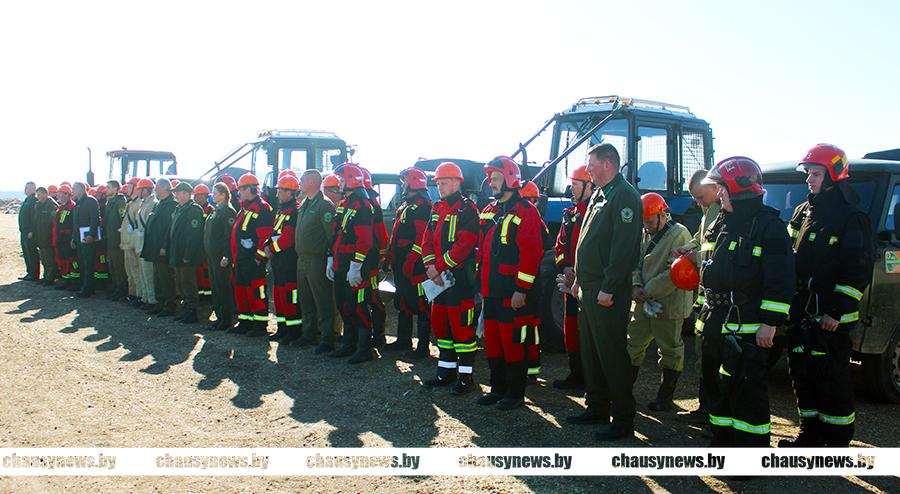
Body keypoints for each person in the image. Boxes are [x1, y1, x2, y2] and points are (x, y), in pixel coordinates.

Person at [697, 156, 795, 447]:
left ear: (738, 189)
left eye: (722, 188)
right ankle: (723, 443)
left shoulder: (769, 227)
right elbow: (710, 270)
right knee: (718, 389)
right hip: (717, 322)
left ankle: (751, 452)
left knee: (747, 393)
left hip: (748, 326)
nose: (719, 194)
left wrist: (770, 323)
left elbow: (781, 279)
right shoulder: (721, 223)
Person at [780, 144, 873, 448]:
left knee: (831, 378)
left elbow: (857, 270)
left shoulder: (851, 217)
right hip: (802, 309)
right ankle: (810, 433)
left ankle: (836, 441)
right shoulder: (803, 212)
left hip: (831, 317)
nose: (809, 179)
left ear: (833, 176)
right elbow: (788, 255)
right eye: (808, 173)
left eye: (816, 174)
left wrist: (836, 310)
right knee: (801, 373)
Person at [563, 143, 643, 441]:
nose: (588, 170)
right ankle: (596, 407)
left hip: (606, 290)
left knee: (611, 354)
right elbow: (587, 240)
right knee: (592, 352)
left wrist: (608, 288)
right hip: (589, 287)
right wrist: (578, 279)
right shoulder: (600, 193)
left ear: (608, 164)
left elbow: (623, 249)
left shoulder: (624, 196)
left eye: (592, 164)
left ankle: (623, 418)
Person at [475, 159, 544, 410]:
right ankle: (497, 389)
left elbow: (531, 254)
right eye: (490, 178)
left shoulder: (526, 211)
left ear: (510, 179)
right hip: (491, 291)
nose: (491, 183)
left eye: (496, 178)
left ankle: (515, 393)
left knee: (514, 344)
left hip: (512, 294)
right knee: (493, 343)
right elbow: (482, 252)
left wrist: (521, 290)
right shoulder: (489, 210)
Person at [627, 193, 693, 411]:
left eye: (649, 221)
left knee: (670, 349)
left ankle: (665, 398)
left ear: (663, 215)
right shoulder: (644, 232)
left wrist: (646, 291)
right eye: (643, 221)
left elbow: (674, 272)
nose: (646, 226)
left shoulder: (680, 234)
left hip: (669, 303)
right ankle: (623, 391)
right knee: (633, 343)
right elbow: (635, 262)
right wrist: (635, 285)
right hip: (644, 300)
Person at [420, 162, 480, 393]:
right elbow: (427, 240)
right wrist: (430, 266)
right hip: (438, 279)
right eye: (438, 184)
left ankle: (465, 378)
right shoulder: (437, 208)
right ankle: (445, 372)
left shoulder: (467, 209)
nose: (440, 187)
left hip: (459, 279)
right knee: (441, 326)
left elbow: (464, 245)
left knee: (461, 328)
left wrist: (438, 267)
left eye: (443, 183)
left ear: (456, 183)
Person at [673, 168, 724, 423]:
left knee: (710, 358)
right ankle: (705, 408)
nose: (699, 203)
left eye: (701, 197)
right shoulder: (708, 212)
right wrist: (687, 249)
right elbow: (700, 239)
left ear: (715, 189)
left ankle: (710, 411)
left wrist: (695, 256)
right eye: (695, 198)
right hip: (704, 298)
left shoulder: (720, 213)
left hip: (714, 299)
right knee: (703, 355)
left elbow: (715, 252)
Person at [329, 164, 378, 364]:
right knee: (343, 304)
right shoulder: (345, 204)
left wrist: (356, 265)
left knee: (358, 306)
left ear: (350, 180)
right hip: (341, 264)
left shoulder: (363, 206)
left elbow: (365, 240)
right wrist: (331, 257)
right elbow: (336, 233)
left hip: (355, 266)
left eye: (342, 180)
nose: (339, 183)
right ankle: (348, 344)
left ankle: (364, 348)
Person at [384, 167, 433, 356]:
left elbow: (421, 239)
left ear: (414, 182)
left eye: (404, 181)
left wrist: (411, 261)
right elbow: (396, 236)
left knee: (421, 304)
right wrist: (390, 257)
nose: (402, 185)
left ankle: (422, 347)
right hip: (402, 264)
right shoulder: (406, 205)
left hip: (416, 267)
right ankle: (403, 341)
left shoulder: (423, 207)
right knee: (403, 301)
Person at [553, 165, 593, 390]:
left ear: (589, 186)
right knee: (570, 327)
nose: (571, 188)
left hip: (590, 284)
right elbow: (560, 245)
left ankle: (590, 376)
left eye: (576, 184)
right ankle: (576, 373)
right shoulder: (570, 214)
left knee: (588, 329)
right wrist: (565, 266)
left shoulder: (597, 214)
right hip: (571, 283)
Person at [292, 170, 339, 353]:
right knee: (306, 299)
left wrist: (330, 257)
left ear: (312, 182)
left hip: (317, 259)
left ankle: (327, 338)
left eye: (302, 180)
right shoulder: (305, 203)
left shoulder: (324, 205)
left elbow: (331, 235)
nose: (300, 183)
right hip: (302, 258)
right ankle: (309, 334)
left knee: (323, 299)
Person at [228, 173, 273, 336]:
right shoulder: (246, 207)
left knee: (256, 292)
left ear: (250, 189)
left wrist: (258, 258)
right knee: (242, 291)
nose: (239, 192)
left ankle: (259, 325)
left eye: (241, 189)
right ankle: (245, 321)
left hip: (253, 260)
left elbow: (265, 237)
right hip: (242, 259)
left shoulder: (262, 208)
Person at [518, 180, 550, 384]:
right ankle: (530, 369)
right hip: (530, 282)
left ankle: (528, 369)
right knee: (530, 329)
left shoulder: (532, 220)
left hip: (528, 284)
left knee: (527, 329)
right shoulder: (537, 220)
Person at [267, 174, 302, 343]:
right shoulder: (281, 210)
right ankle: (282, 329)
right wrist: (267, 244)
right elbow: (275, 231)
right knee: (279, 295)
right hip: (279, 261)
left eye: (280, 190)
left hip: (289, 261)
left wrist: (272, 248)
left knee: (290, 297)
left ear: (290, 192)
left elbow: (288, 237)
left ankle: (293, 331)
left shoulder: (295, 211)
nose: (277, 194)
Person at [169, 182, 206, 323]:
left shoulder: (194, 210)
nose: (175, 195)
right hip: (178, 253)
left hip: (186, 255)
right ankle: (185, 309)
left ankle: (191, 311)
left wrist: (188, 255)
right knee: (180, 283)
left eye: (177, 193)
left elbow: (194, 234)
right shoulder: (179, 209)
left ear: (186, 194)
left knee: (188, 283)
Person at [360, 167, 389, 348]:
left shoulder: (370, 205)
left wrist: (380, 257)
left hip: (369, 260)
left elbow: (380, 234)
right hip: (362, 260)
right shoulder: (362, 202)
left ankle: (378, 335)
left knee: (372, 297)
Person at [141, 178, 177, 315]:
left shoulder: (171, 205)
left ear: (164, 187)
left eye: (157, 187)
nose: (155, 189)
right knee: (157, 276)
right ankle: (160, 301)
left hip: (162, 247)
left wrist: (164, 246)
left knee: (165, 276)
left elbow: (169, 228)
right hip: (154, 246)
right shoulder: (159, 204)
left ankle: (169, 304)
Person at [205, 183, 237, 331]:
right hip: (212, 255)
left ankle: (226, 318)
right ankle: (220, 317)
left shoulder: (228, 212)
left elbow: (228, 236)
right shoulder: (216, 210)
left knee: (223, 287)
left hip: (220, 256)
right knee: (216, 287)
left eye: (215, 193)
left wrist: (226, 255)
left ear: (223, 194)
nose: (213, 195)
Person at [71, 182, 101, 298]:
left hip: (88, 238)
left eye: (74, 189)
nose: (72, 191)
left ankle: (88, 288)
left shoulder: (90, 201)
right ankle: (84, 286)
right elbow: (75, 223)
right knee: (82, 263)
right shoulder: (77, 204)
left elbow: (95, 219)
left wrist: (91, 235)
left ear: (80, 189)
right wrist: (74, 238)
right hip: (79, 238)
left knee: (88, 264)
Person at [134, 179, 158, 310]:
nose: (138, 191)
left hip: (146, 244)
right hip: (140, 243)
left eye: (140, 189)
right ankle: (145, 297)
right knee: (143, 273)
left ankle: (151, 300)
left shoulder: (152, 203)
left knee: (148, 273)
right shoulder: (143, 203)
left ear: (146, 190)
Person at [104, 180, 129, 301]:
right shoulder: (110, 202)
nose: (106, 189)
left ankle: (121, 290)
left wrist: (121, 239)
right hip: (110, 239)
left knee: (119, 267)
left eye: (108, 187)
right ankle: (115, 287)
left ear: (115, 189)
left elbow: (122, 219)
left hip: (117, 239)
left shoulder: (119, 201)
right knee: (112, 266)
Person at [52, 184, 79, 290]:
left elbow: (75, 225)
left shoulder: (72, 207)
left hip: (68, 239)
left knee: (72, 261)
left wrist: (73, 238)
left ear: (67, 195)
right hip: (61, 239)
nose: (58, 196)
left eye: (60, 194)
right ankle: (66, 279)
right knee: (63, 260)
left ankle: (75, 281)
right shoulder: (61, 208)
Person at [32, 186, 59, 286]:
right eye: (37, 195)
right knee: (43, 259)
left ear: (45, 194)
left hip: (48, 237)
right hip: (41, 237)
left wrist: (51, 237)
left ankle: (50, 278)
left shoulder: (51, 206)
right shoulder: (38, 205)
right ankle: (46, 276)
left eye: (39, 195)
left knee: (50, 259)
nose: (37, 197)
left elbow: (55, 223)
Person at [193, 184, 214, 301]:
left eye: (197, 195)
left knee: (205, 273)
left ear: (204, 196)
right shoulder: (196, 209)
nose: (195, 198)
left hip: (205, 247)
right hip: (198, 246)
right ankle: (201, 295)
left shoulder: (210, 210)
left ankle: (208, 297)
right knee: (199, 273)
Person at [18, 181, 39, 281]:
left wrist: (31, 230)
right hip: (24, 231)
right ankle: (29, 272)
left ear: (32, 189)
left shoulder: (33, 200)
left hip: (29, 233)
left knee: (32, 253)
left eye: (27, 188)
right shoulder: (27, 199)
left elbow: (34, 217)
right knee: (26, 252)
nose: (25, 189)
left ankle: (34, 274)